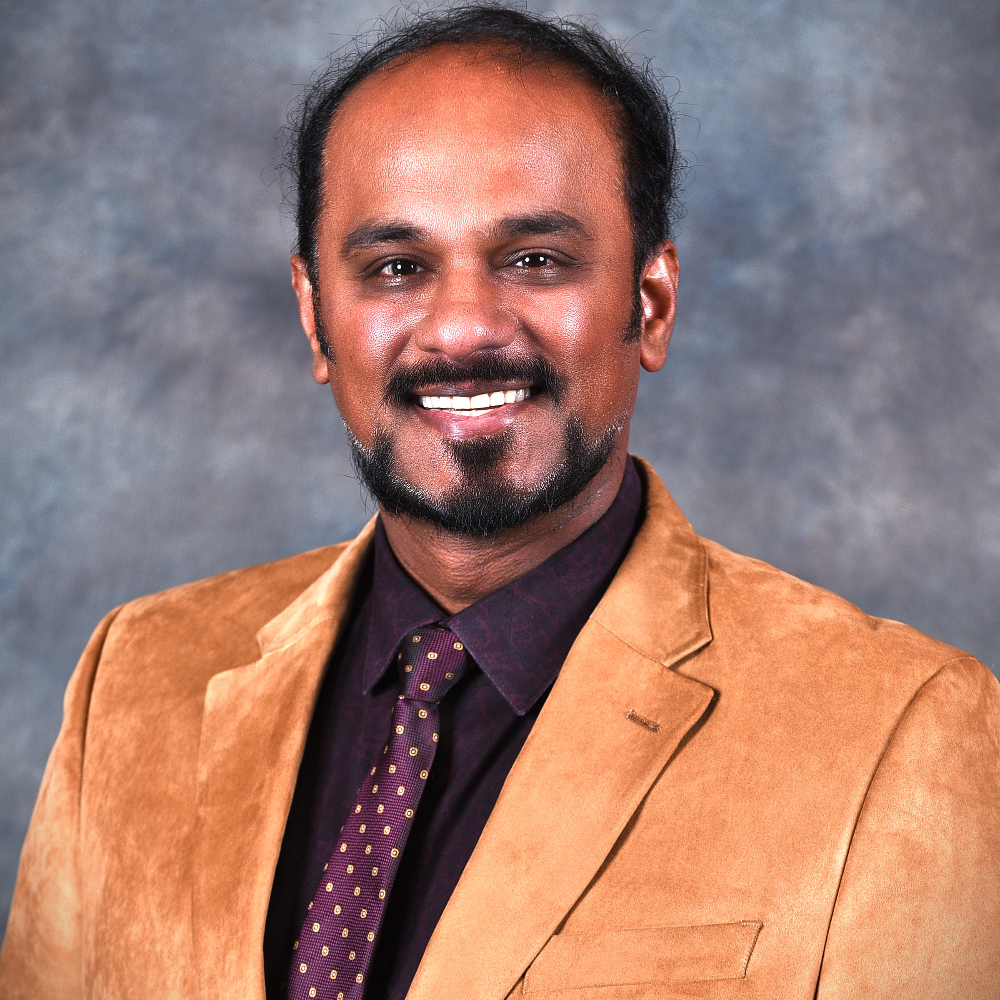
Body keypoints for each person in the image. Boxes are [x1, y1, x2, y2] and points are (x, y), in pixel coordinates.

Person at [2, 6, 998, 999]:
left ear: (648, 303)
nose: (465, 328)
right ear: (316, 319)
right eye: (396, 267)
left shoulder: (902, 733)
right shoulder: (134, 678)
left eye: (535, 259)